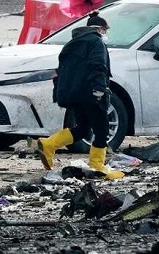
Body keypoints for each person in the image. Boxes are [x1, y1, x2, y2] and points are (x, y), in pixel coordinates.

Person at [34, 12, 125, 179]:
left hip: (73, 94)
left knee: (82, 129)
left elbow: (62, 71)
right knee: (102, 129)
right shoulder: (95, 42)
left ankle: (48, 144)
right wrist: (99, 89)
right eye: (104, 30)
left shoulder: (72, 43)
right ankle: (97, 164)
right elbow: (98, 65)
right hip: (91, 93)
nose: (105, 34)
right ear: (99, 29)